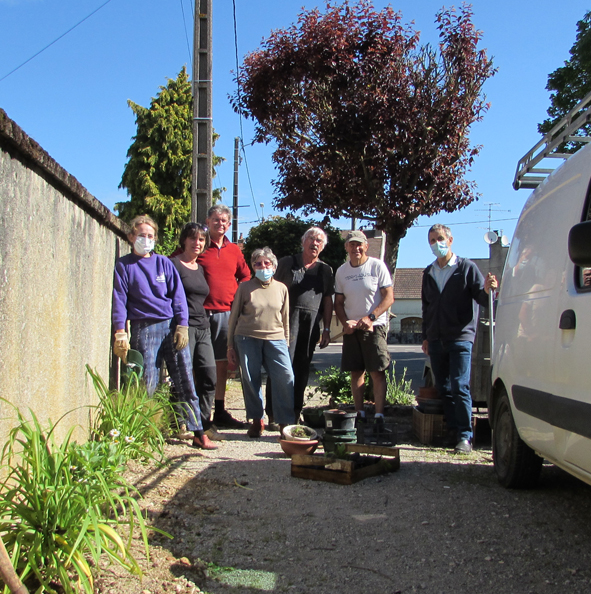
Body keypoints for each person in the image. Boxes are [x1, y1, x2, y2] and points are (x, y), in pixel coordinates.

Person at [111, 215, 216, 450]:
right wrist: (120, 332)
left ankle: (198, 431)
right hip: (143, 327)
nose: (145, 240)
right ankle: (144, 434)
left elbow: (178, 296)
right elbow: (119, 299)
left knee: (185, 378)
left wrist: (182, 325)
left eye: (150, 236)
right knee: (147, 381)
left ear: (155, 239)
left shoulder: (164, 264)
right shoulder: (124, 265)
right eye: (141, 235)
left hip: (171, 326)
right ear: (131, 237)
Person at [421, 223, 498, 454]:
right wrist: (425, 336)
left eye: (440, 239)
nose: (437, 244)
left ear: (451, 240)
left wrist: (488, 290)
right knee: (443, 387)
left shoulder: (466, 268)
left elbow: (484, 300)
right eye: (433, 240)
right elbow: (427, 307)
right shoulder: (428, 273)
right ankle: (454, 432)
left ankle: (465, 436)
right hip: (435, 338)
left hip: (460, 337)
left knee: (459, 385)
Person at [266, 227, 335, 425]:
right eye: (311, 239)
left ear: (322, 247)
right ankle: (273, 414)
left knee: (302, 369)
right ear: (303, 241)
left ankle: (294, 413)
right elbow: (272, 290)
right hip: (284, 322)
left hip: (310, 325)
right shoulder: (287, 263)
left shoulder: (326, 270)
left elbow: (328, 301)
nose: (315, 243)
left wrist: (327, 329)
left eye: (319, 241)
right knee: (279, 367)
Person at [227, 247, 295, 438]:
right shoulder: (245, 287)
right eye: (258, 263)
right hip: (246, 337)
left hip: (276, 338)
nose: (262, 267)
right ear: (252, 266)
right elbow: (234, 317)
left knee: (285, 377)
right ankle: (257, 420)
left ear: (274, 266)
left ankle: (284, 422)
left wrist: (286, 341)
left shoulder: (281, 288)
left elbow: (285, 318)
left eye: (266, 263)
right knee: (250, 378)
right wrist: (230, 345)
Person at [198, 204, 251, 429]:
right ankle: (199, 413)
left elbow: (246, 276)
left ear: (229, 225)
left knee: (221, 364)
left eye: (224, 221)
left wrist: (238, 300)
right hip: (199, 313)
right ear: (208, 222)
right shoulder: (199, 245)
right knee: (199, 364)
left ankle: (219, 411)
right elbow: (176, 264)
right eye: (216, 220)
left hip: (225, 314)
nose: (220, 224)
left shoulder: (234, 251)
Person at [334, 230, 394, 426]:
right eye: (352, 244)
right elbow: (338, 303)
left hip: (374, 327)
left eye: (359, 244)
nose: (356, 248)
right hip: (352, 329)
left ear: (366, 246)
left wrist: (371, 317)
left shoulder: (377, 266)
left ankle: (379, 415)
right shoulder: (342, 271)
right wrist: (345, 323)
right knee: (356, 371)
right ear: (346, 247)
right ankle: (359, 413)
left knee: (377, 371)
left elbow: (388, 297)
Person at [170, 222, 220, 441]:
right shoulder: (173, 265)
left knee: (209, 377)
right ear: (184, 240)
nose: (197, 243)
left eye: (201, 240)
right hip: (183, 327)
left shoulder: (200, 268)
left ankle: (201, 421)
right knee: (184, 376)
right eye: (193, 238)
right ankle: (179, 423)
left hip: (203, 327)